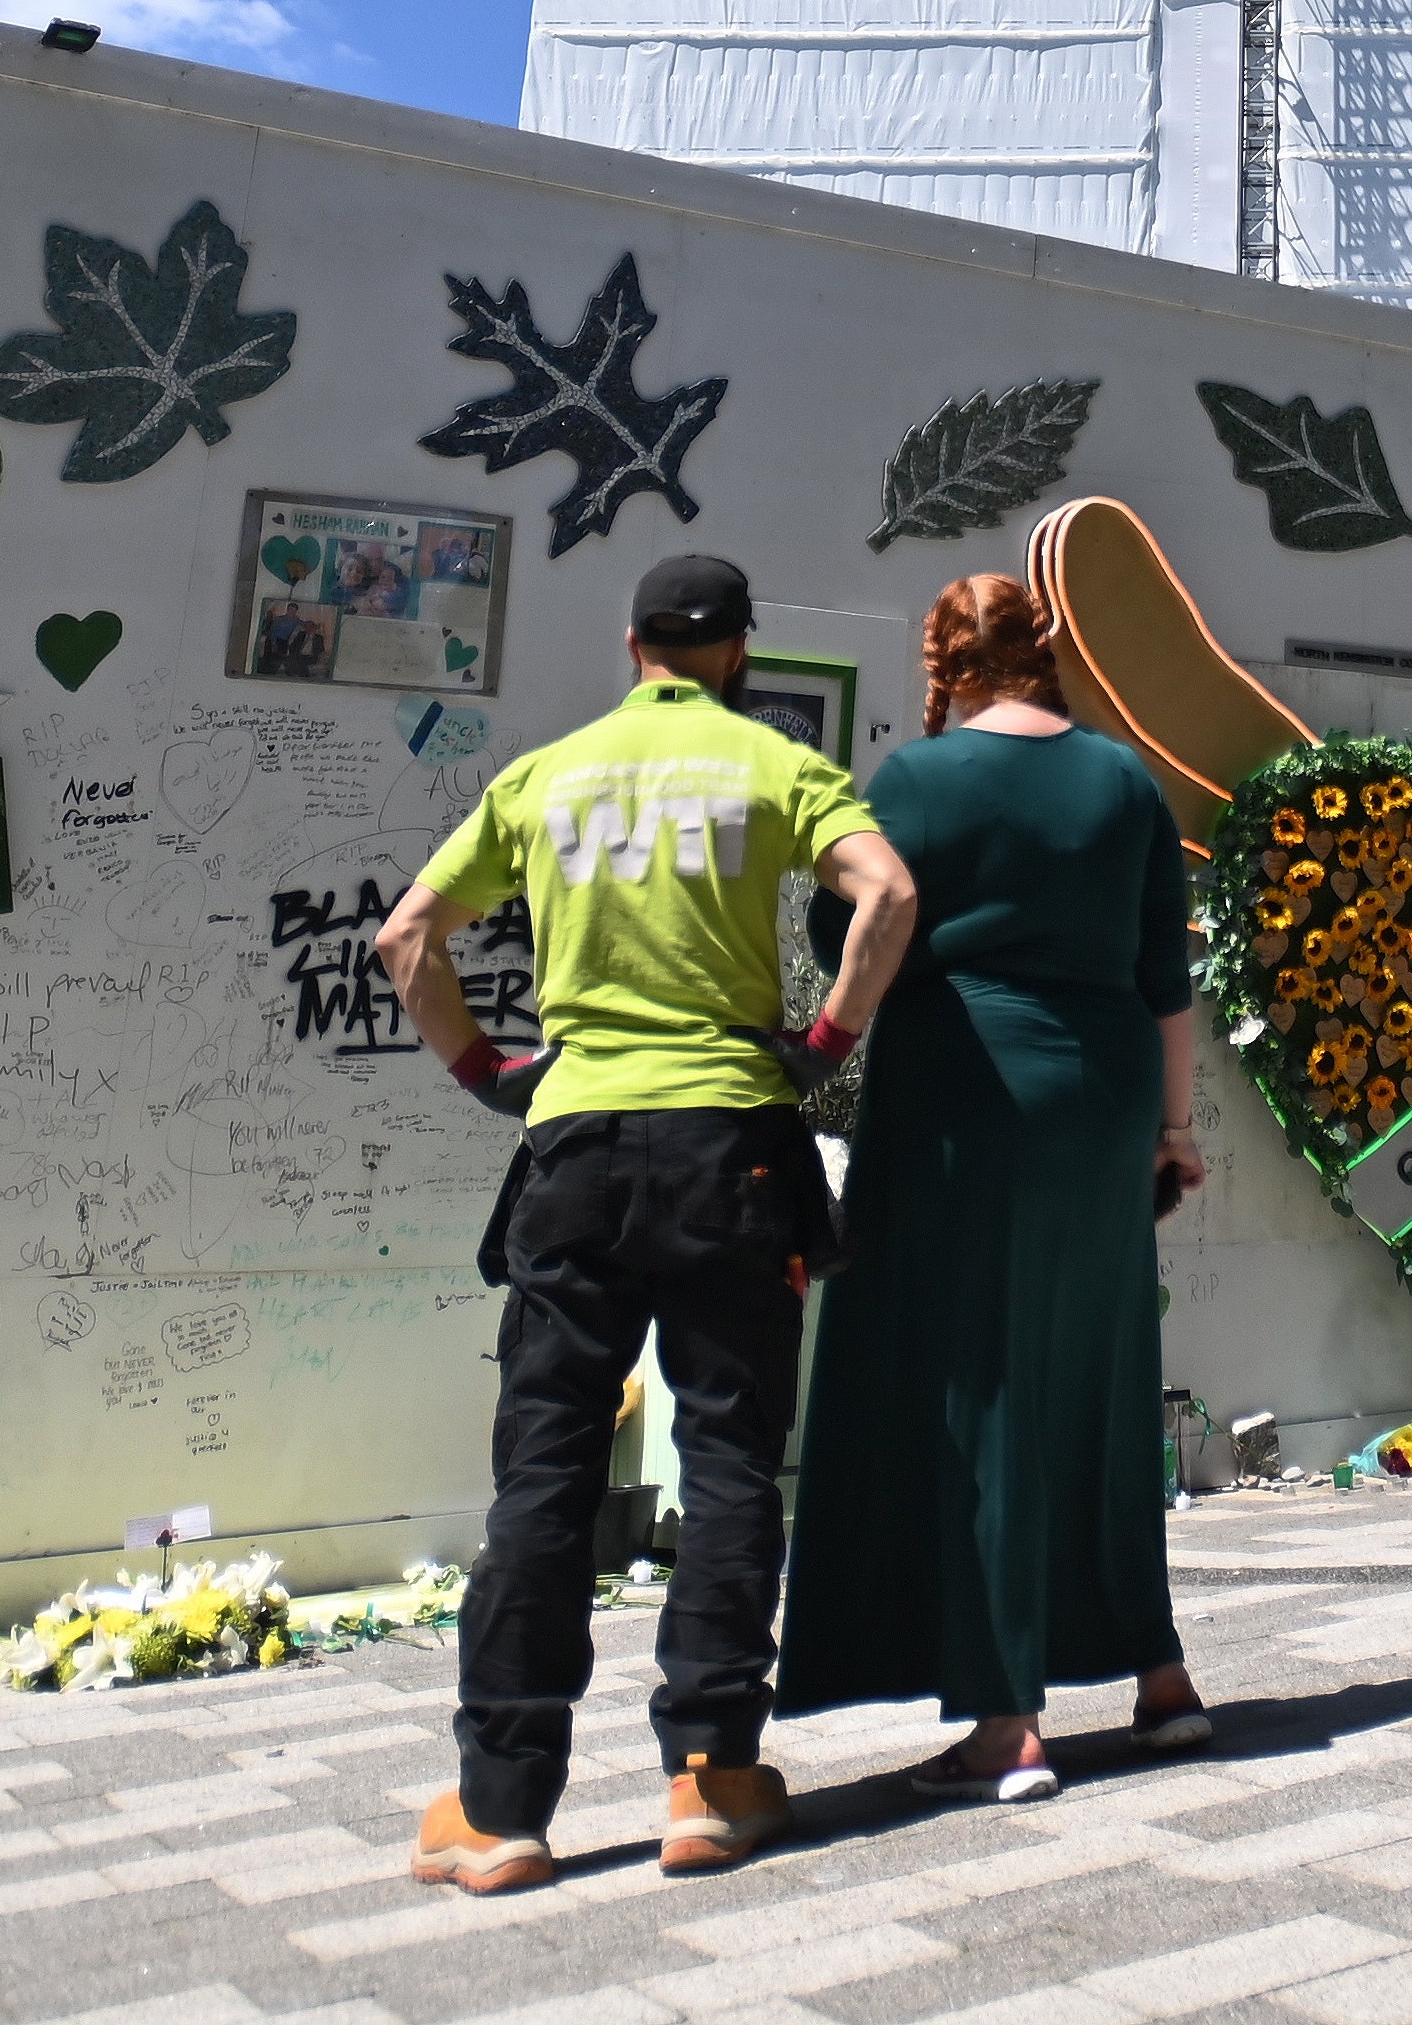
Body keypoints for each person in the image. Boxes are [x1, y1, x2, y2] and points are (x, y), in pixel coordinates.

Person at [376, 554, 918, 1891]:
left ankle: (501, 1809)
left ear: (634, 647)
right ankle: (712, 1782)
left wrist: (481, 1070)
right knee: (731, 1458)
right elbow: (889, 896)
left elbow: (406, 938)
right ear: (738, 649)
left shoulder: (544, 777)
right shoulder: (773, 766)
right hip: (732, 1145)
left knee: (546, 1471)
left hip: (573, 1148)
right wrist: (831, 1033)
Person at [781, 576, 1215, 1801]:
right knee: (1101, 1369)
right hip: (1106, 1097)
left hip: (963, 1095)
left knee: (972, 1376)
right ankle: (1159, 1672)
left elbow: (841, 936)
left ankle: (1004, 1722)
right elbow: (1167, 982)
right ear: (1046, 650)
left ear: (945, 658)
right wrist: (1175, 1130)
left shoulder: (911, 783)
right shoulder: (1126, 780)